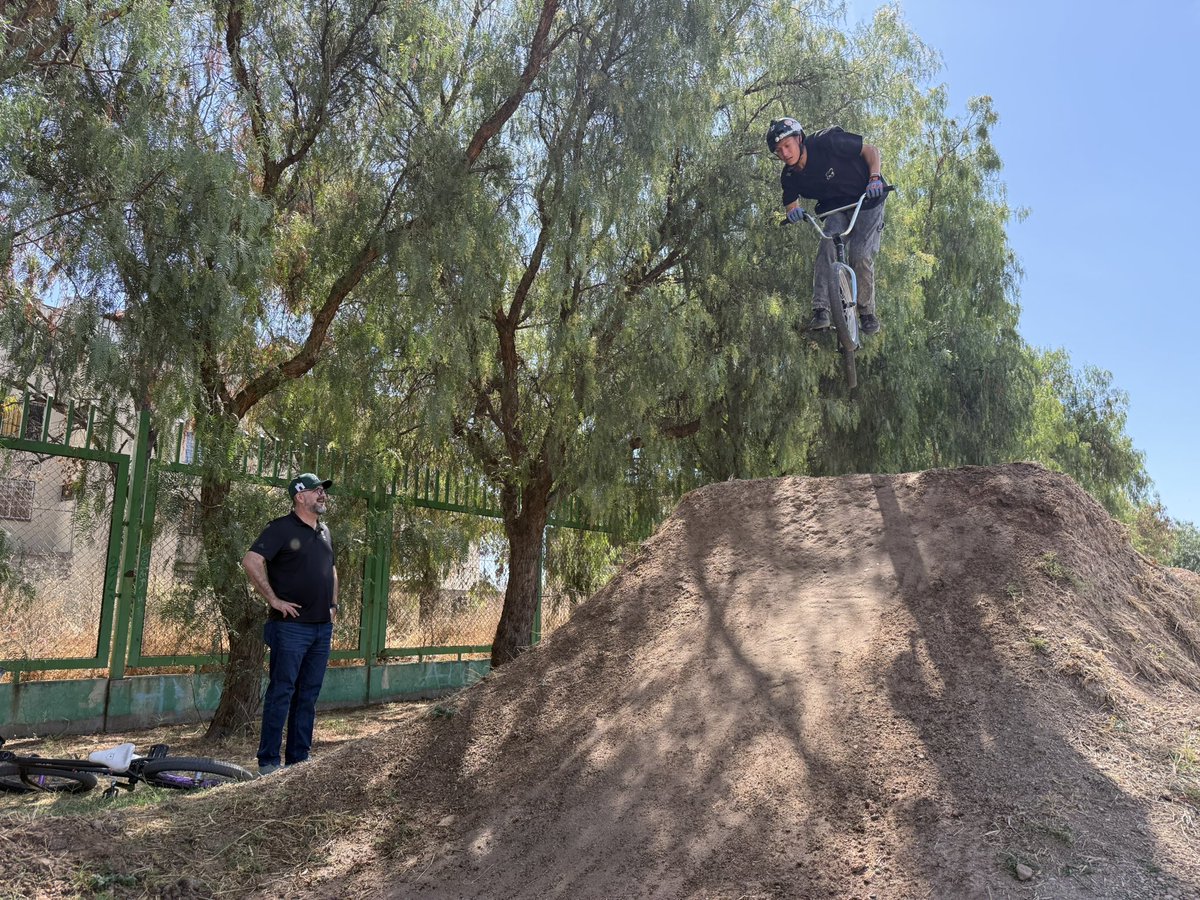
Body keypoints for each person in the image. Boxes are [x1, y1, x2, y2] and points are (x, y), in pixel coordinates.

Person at [242, 472, 338, 776]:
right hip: (290, 628)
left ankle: (299, 759)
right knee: (282, 692)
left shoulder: (324, 531)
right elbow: (251, 560)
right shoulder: (281, 528)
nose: (322, 494)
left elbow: (332, 570)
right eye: (316, 490)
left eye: (323, 490)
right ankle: (269, 762)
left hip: (322, 627)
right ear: (300, 496)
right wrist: (273, 599)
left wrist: (333, 606)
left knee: (308, 694)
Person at [766, 117, 889, 335]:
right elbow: (790, 204)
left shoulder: (827, 142)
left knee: (860, 254)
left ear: (799, 138)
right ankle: (820, 310)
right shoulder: (790, 176)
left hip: (867, 199)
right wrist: (793, 213)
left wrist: (875, 178)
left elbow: (870, 150)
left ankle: (867, 312)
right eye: (778, 150)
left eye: (787, 145)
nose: (784, 153)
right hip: (836, 208)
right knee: (827, 247)